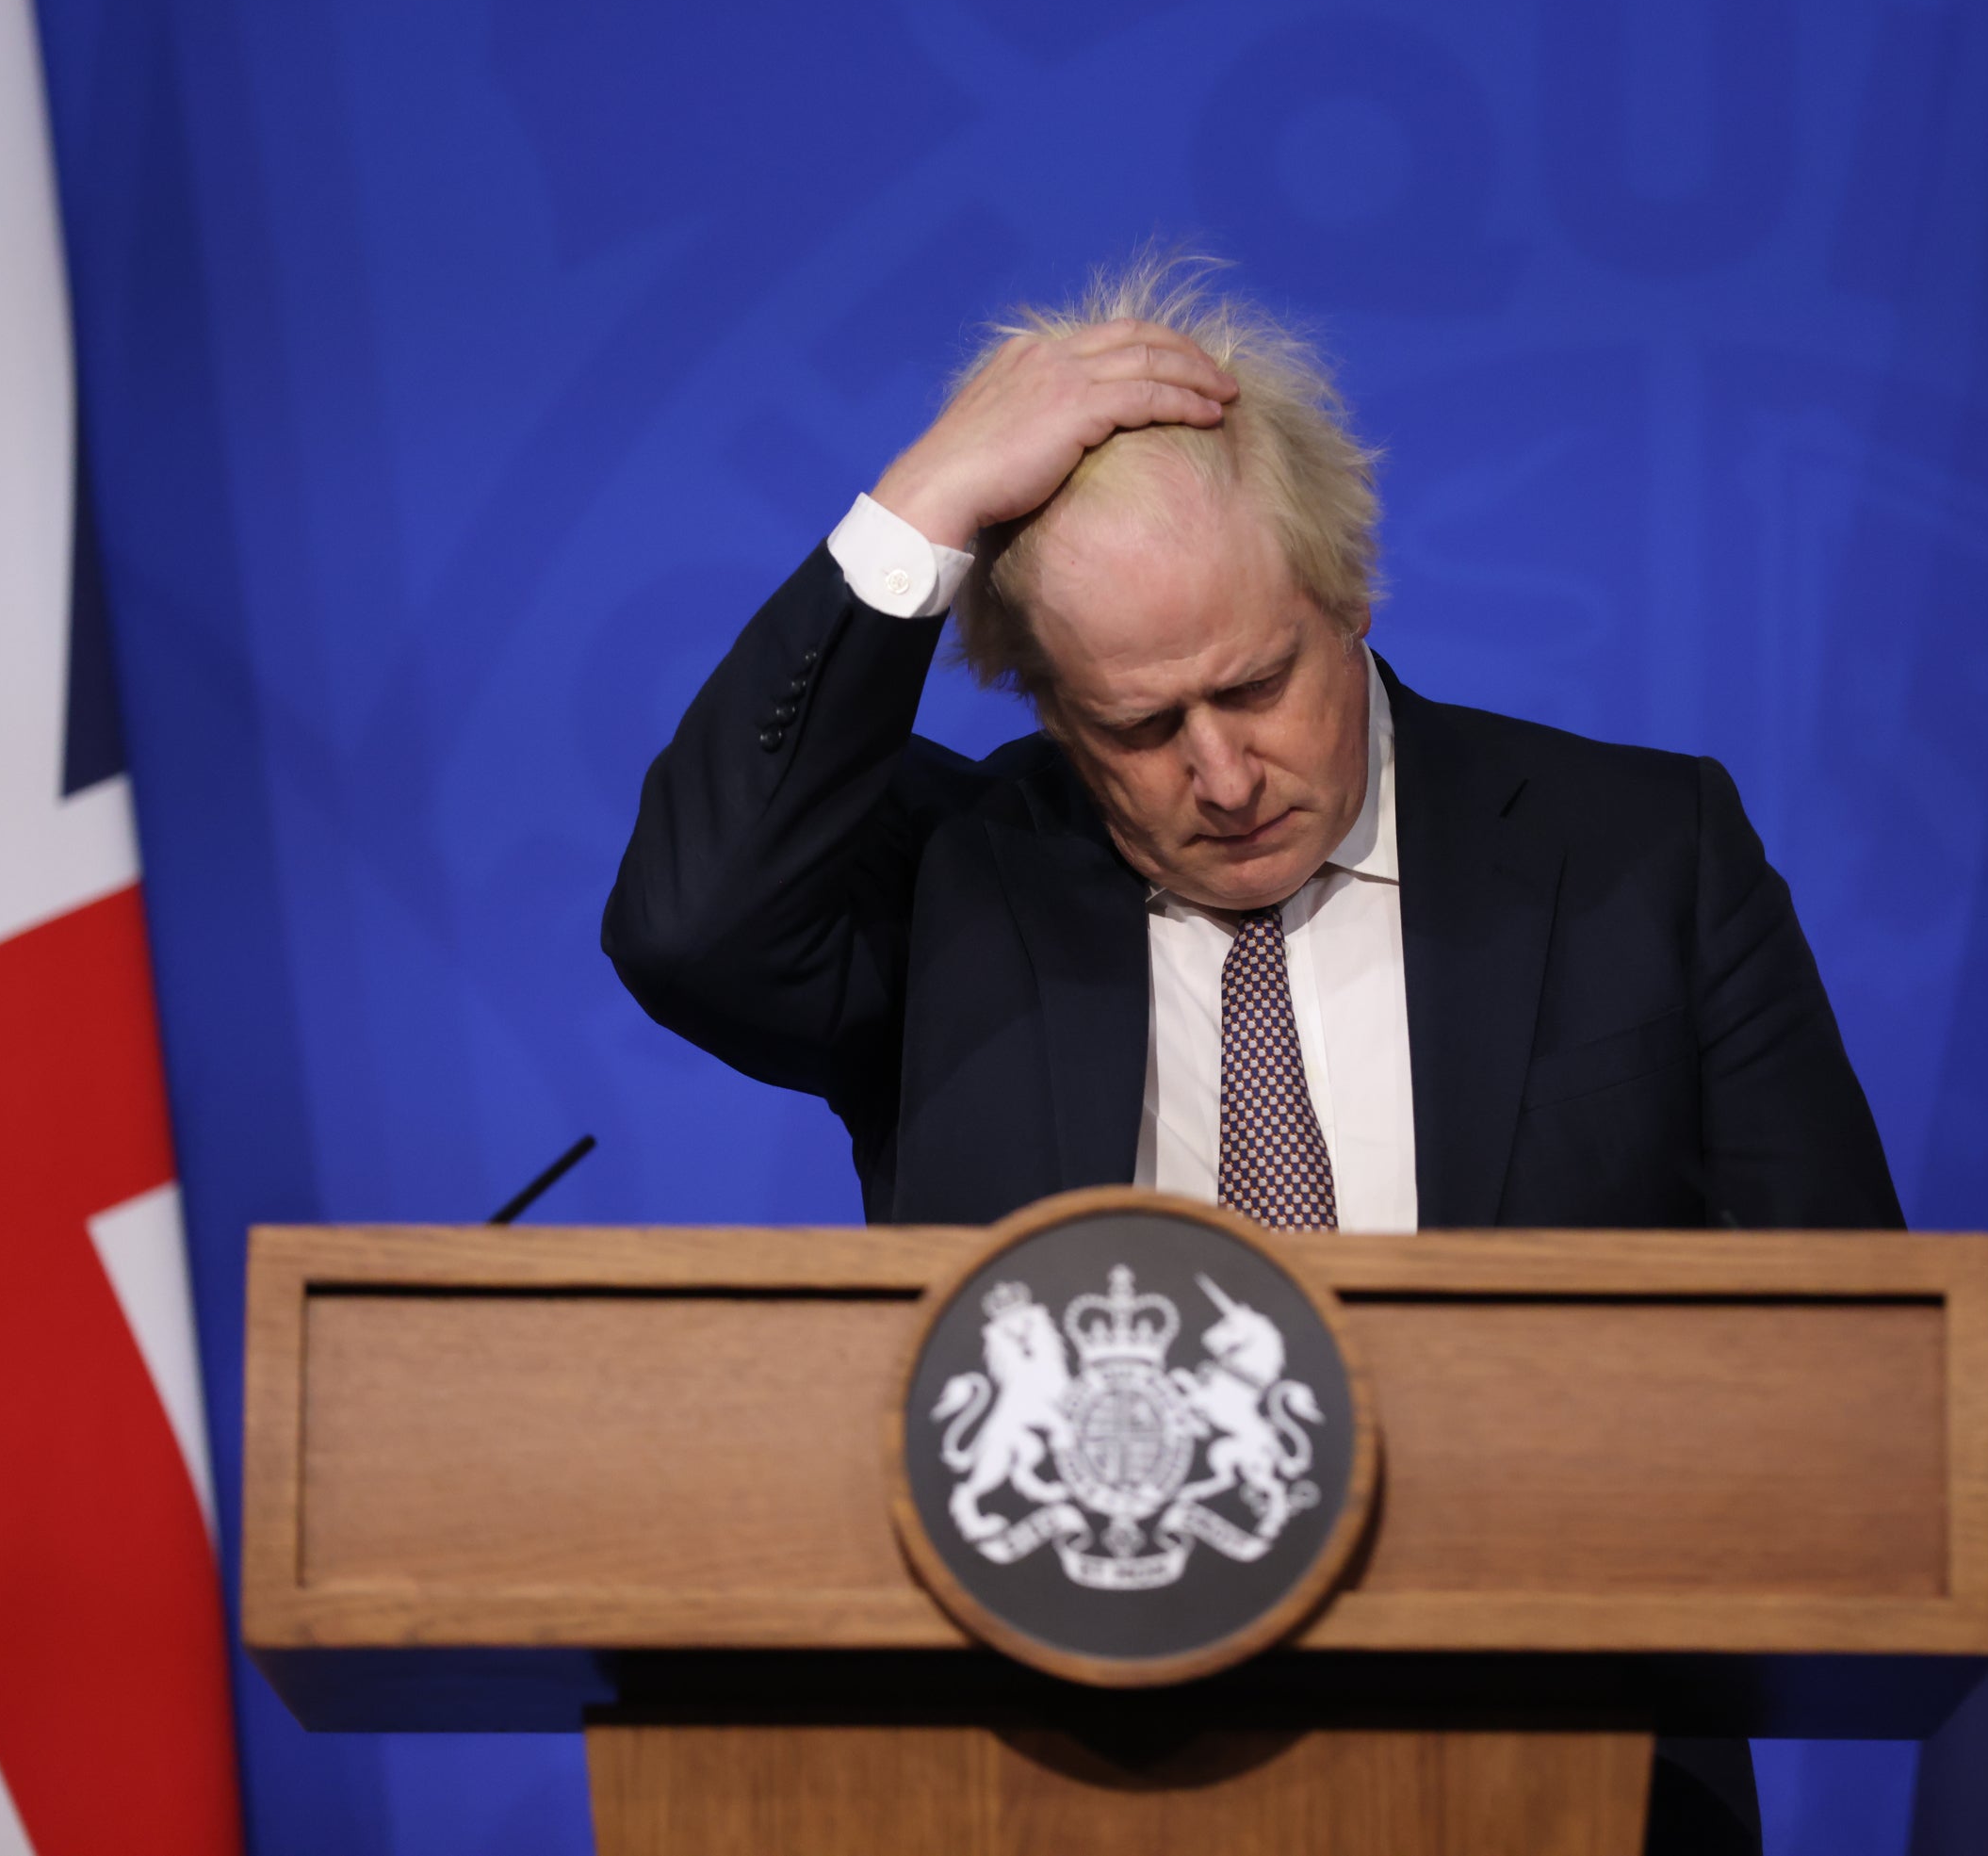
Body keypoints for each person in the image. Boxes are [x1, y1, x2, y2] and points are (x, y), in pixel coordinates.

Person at [603, 253, 1900, 1853]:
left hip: (1560, 1783)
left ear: (1349, 596)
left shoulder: (1641, 856)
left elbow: (1849, 1358)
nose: (1221, 773)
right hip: (1047, 1793)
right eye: (1140, 729)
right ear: (1054, 717)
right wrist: (921, 505)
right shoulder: (964, 890)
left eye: (1259, 683)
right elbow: (687, 925)